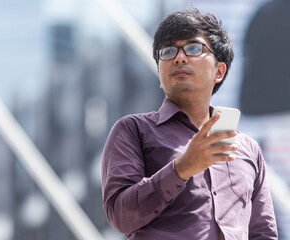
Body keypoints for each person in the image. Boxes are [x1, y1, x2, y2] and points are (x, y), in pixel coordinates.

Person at [101, 9, 278, 240]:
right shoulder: (133, 130)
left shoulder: (248, 150)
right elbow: (120, 216)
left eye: (193, 48)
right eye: (168, 51)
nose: (179, 58)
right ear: (160, 74)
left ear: (219, 71)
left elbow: (263, 233)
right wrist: (182, 168)